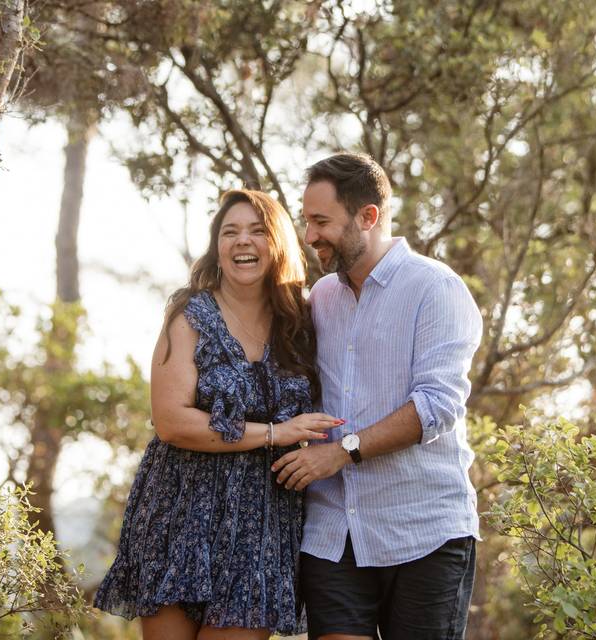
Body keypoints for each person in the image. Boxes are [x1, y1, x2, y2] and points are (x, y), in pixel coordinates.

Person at [94, 189, 342, 640]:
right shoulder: (191, 315)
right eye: (230, 232)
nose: (242, 242)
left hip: (264, 521)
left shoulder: (303, 321)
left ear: (278, 243)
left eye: (256, 231)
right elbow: (171, 422)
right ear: (218, 246)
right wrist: (275, 432)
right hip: (181, 510)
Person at [272, 153, 483, 640]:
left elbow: (437, 406)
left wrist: (342, 452)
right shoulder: (321, 298)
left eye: (321, 221)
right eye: (307, 222)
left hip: (425, 531)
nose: (310, 236)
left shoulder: (436, 289)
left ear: (368, 217)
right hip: (333, 535)